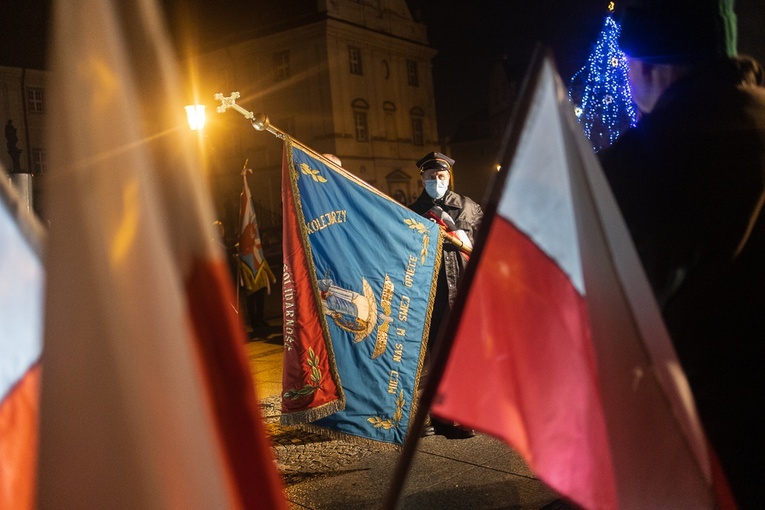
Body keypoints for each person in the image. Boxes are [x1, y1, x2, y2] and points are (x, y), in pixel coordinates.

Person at [598, 1, 765, 506]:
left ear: (651, 65)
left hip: (700, 453)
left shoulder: (640, 165)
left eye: (627, 66)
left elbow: (609, 318)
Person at [409, 152, 483, 439]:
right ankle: (437, 415)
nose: (435, 181)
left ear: (448, 177)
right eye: (430, 177)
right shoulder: (414, 211)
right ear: (422, 179)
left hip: (464, 293)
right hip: (431, 296)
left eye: (440, 177)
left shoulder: (468, 207)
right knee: (432, 358)